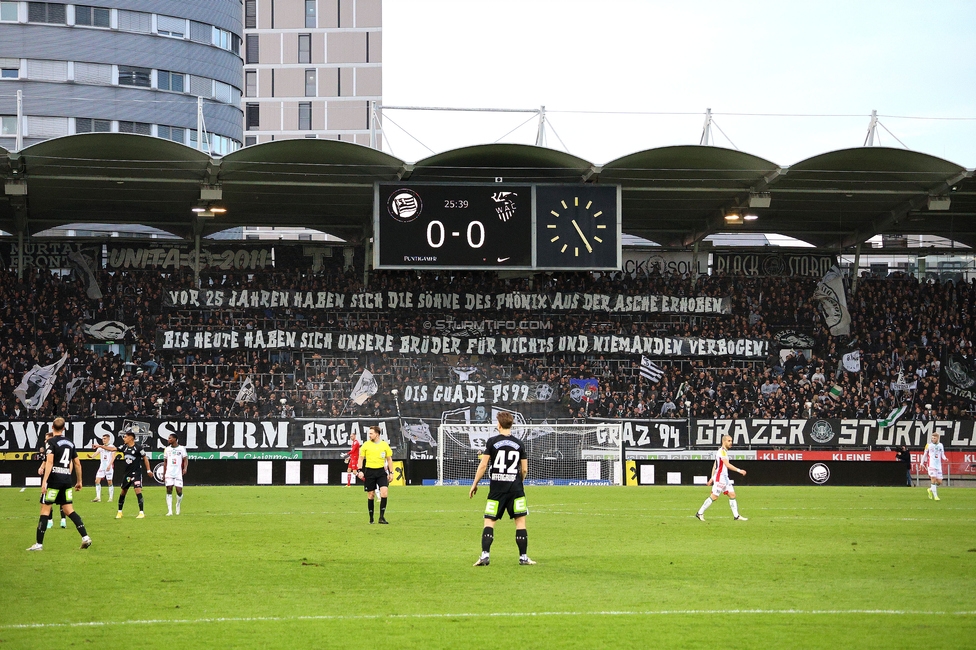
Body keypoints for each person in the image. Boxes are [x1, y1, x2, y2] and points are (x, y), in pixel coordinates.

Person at [468, 412, 535, 566]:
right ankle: (523, 557)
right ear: (510, 425)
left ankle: (485, 556)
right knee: (520, 522)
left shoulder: (492, 442)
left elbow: (484, 465)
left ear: (499, 425)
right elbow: (524, 469)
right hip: (516, 489)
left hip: (496, 490)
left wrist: (475, 484)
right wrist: (519, 482)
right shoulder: (519, 444)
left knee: (489, 521)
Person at [27, 417, 92, 551]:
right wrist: (79, 481)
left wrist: (44, 481)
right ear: (64, 428)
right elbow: (77, 463)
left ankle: (39, 544)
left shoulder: (50, 442)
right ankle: (85, 537)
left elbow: (49, 462)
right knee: (69, 510)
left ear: (52, 427)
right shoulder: (70, 443)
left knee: (45, 510)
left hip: (54, 480)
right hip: (67, 480)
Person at [696, 434, 748, 521]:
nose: (731, 443)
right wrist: (739, 470)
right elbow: (727, 465)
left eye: (731, 441)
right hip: (720, 478)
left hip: (724, 478)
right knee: (714, 496)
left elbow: (715, 465)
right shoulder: (722, 452)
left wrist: (711, 478)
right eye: (729, 441)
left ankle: (736, 516)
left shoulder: (722, 451)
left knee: (732, 495)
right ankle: (699, 513)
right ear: (724, 441)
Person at [356, 426, 394, 524]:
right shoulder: (366, 445)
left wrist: (391, 472)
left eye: (371, 433)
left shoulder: (384, 445)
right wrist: (359, 470)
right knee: (371, 495)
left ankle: (381, 517)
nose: (369, 435)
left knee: (384, 492)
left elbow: (389, 459)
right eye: (369, 433)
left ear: (377, 434)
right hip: (370, 472)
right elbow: (361, 458)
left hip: (381, 471)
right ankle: (371, 518)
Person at [116, 430, 151, 518]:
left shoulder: (138, 448)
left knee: (137, 490)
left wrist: (148, 470)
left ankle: (141, 512)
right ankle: (119, 512)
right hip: (127, 474)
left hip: (136, 473)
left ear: (131, 438)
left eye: (125, 437)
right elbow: (113, 449)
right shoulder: (124, 447)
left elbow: (145, 458)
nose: (124, 438)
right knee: (123, 491)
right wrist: (101, 446)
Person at [37, 431, 67, 529]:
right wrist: (41, 467)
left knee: (46, 501)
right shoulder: (58, 448)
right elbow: (46, 460)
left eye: (47, 439)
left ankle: (50, 521)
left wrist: (45, 479)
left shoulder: (52, 448)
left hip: (52, 478)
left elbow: (49, 461)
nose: (45, 441)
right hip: (61, 477)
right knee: (62, 500)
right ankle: (62, 520)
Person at [163, 433, 188, 516]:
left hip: (178, 473)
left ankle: (178, 504)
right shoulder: (167, 449)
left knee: (179, 491)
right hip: (169, 473)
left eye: (170, 438)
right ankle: (169, 511)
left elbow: (185, 459)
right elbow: (165, 462)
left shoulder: (181, 448)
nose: (168, 439)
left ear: (175, 439)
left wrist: (185, 468)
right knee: (169, 489)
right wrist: (164, 473)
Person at [920, 433, 947, 501]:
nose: (933, 439)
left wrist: (945, 458)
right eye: (932, 438)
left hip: (938, 466)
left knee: (940, 482)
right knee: (933, 479)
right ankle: (936, 496)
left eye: (934, 438)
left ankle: (930, 489)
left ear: (938, 438)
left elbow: (942, 455)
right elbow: (924, 454)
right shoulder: (928, 445)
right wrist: (921, 463)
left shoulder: (941, 445)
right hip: (931, 465)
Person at [91, 434, 117, 502]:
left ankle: (110, 498)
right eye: (103, 438)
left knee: (109, 482)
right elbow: (96, 453)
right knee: (97, 480)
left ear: (108, 439)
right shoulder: (100, 447)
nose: (103, 440)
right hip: (102, 466)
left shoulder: (112, 447)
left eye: (105, 438)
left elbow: (113, 457)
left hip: (109, 467)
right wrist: (91, 456)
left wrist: (109, 465)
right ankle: (98, 497)